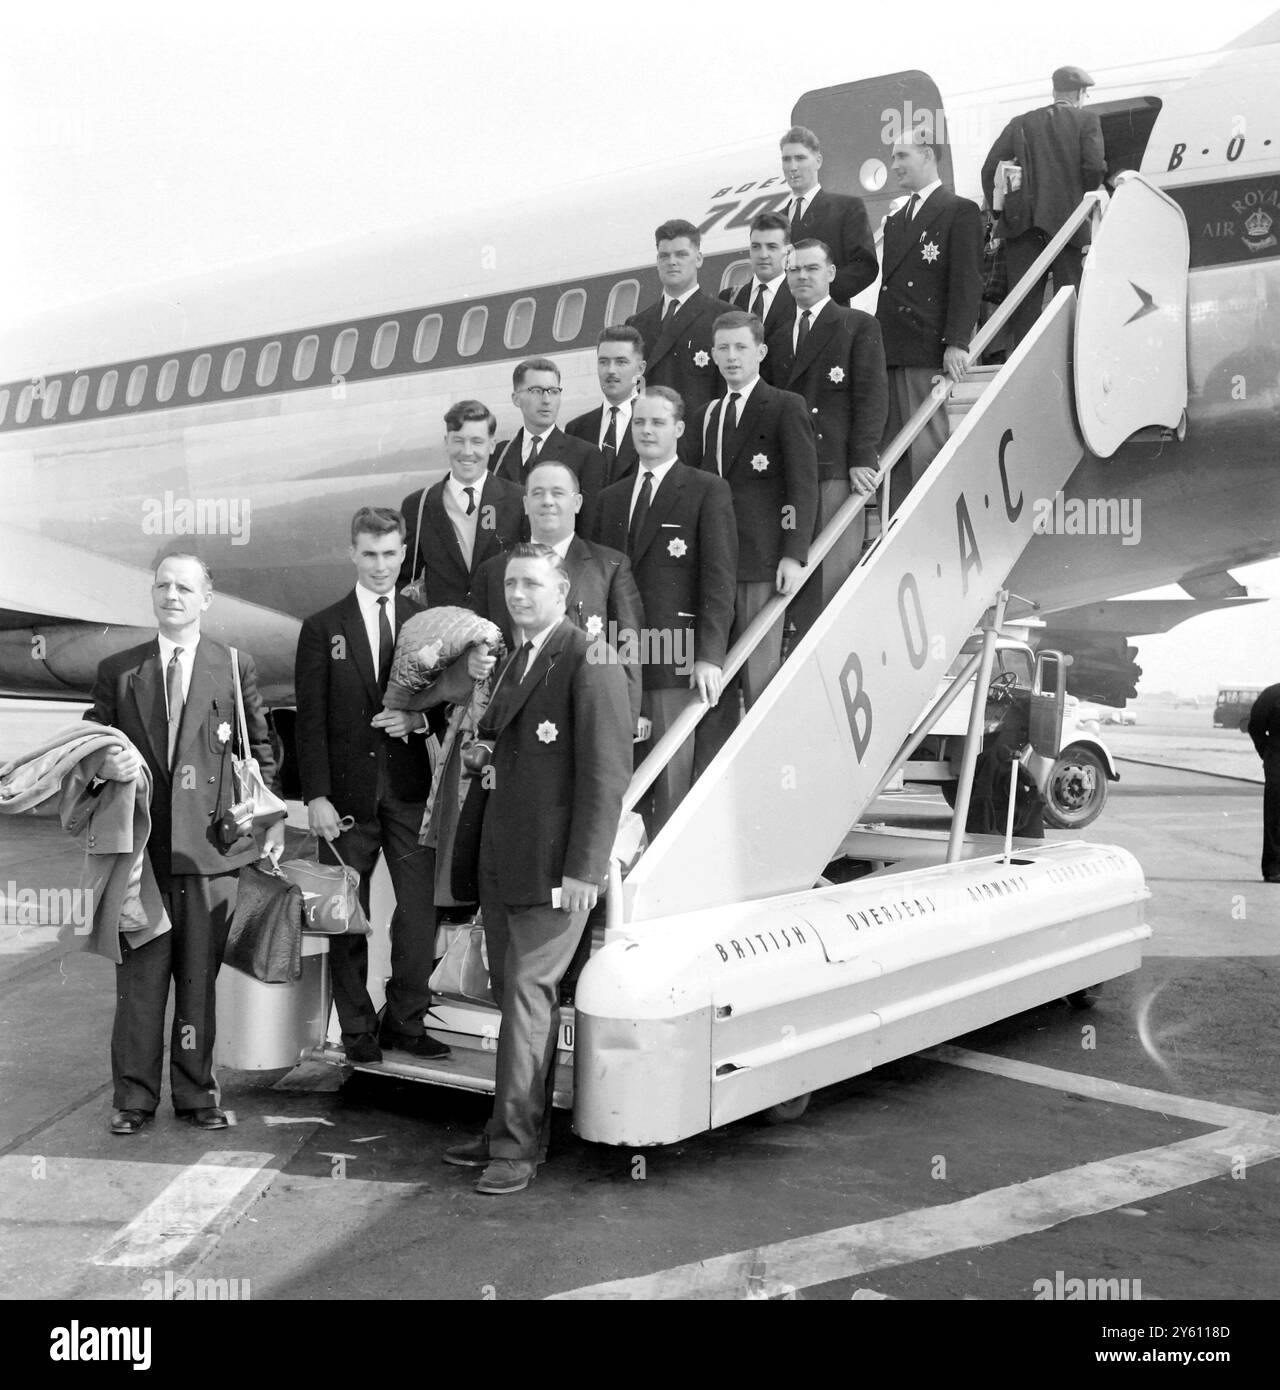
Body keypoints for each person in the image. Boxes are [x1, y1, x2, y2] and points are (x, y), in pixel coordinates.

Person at [443, 543, 632, 1194]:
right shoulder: (513, 658)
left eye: (532, 584)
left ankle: (515, 1150)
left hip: (556, 869)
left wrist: (586, 868)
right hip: (505, 861)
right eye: (511, 585)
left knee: (526, 997)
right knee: (517, 1000)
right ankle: (511, 1128)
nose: (519, 594)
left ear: (561, 592)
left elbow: (607, 773)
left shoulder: (589, 655)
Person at [85, 552, 284, 1135]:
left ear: (206, 598)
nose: (172, 595)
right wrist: (107, 762)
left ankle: (197, 1094)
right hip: (141, 857)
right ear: (153, 594)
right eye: (163, 585)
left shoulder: (233, 665)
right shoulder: (120, 671)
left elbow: (259, 750)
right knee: (142, 986)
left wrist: (270, 819)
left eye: (185, 587)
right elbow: (86, 749)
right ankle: (134, 1100)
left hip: (212, 856)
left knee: (198, 982)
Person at [295, 507, 482, 1063]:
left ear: (405, 555)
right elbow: (310, 720)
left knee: (420, 910)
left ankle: (405, 1019)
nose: (380, 565)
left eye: (390, 554)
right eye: (369, 554)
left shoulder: (427, 623)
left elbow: (451, 703)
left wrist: (417, 722)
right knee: (346, 916)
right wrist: (316, 797)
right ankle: (356, 1030)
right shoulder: (322, 627)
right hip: (346, 800)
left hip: (407, 790)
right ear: (353, 554)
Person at [592, 387, 737, 831]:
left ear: (678, 428)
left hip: (675, 656)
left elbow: (719, 578)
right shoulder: (608, 499)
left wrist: (710, 654)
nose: (647, 431)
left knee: (672, 784)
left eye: (657, 422)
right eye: (639, 422)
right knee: (614, 781)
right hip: (616, 659)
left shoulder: (706, 490)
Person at [689, 310, 817, 763]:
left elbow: (800, 486)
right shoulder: (708, 415)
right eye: (722, 348)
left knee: (758, 678)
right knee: (713, 681)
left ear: (760, 352)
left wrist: (793, 552)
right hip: (715, 566)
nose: (731, 356)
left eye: (740, 347)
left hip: (761, 563)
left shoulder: (785, 405)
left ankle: (768, 768)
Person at [469, 461, 645, 727]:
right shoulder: (493, 571)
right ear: (526, 504)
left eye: (558, 493)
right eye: (538, 493)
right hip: (512, 719)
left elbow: (629, 647)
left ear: (577, 503)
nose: (547, 501)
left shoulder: (609, 567)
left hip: (585, 715)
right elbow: (476, 644)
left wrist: (626, 720)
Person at [770, 238, 888, 631]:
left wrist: (863, 457)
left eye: (812, 268)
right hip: (789, 473)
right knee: (794, 567)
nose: (802, 276)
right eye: (794, 270)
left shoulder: (857, 326)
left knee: (831, 575)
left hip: (835, 467)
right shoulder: (778, 335)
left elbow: (872, 396)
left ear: (831, 273)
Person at [876, 134, 984, 514]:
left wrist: (957, 341)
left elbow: (967, 280)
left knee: (927, 444)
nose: (894, 165)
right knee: (896, 446)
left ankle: (931, 519)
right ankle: (899, 522)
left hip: (927, 347)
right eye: (892, 158)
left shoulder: (959, 210)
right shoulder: (896, 220)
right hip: (893, 348)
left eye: (901, 156)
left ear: (927, 156)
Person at [981, 65, 1106, 347]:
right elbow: (1094, 167)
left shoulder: (1020, 123)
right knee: (1069, 302)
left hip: (1023, 227)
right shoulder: (1087, 121)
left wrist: (1000, 211)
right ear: (1081, 94)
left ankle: (1025, 373)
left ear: (1054, 91)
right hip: (1069, 226)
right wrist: (1080, 195)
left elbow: (989, 169)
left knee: (1025, 308)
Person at [398, 400, 525, 609]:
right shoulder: (418, 506)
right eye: (458, 440)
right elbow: (401, 579)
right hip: (442, 636)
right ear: (446, 442)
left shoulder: (517, 500)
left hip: (502, 633)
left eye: (476, 441)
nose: (467, 452)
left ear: (492, 445)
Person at [626, 219, 731, 426]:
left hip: (701, 439)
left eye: (681, 254)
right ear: (657, 261)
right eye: (664, 256)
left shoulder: (724, 318)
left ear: (699, 258)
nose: (672, 262)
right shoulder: (638, 324)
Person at [489, 358, 606, 528]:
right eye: (536, 391)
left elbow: (589, 527)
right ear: (516, 398)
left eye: (553, 391)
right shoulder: (499, 454)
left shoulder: (586, 455)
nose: (546, 400)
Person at [779, 125, 879, 303]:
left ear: (818, 161)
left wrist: (819, 293)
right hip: (785, 325)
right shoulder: (777, 220)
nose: (792, 167)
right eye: (786, 160)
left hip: (831, 320)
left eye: (800, 158)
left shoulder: (847, 208)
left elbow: (865, 267)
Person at [565, 326, 645, 487]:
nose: (610, 370)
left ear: (640, 368)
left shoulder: (657, 423)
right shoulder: (576, 429)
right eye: (603, 362)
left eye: (621, 362)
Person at [729, 211, 796, 380]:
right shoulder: (730, 298)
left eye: (772, 247)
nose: (763, 254)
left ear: (788, 251)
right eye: (756, 246)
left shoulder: (800, 299)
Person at [1247, 683, 1280, 883]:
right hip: (1278, 760)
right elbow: (1255, 726)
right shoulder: (1273, 695)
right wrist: (1267, 754)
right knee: (1276, 815)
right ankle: (1274, 868)